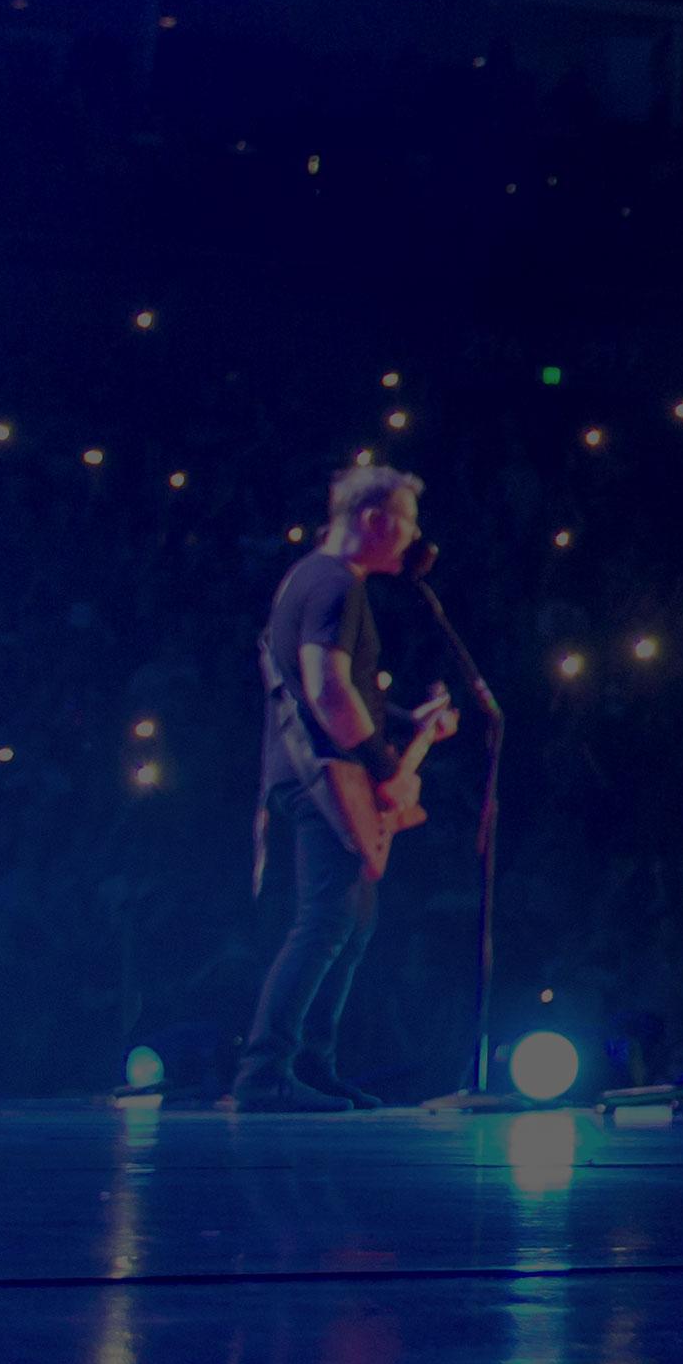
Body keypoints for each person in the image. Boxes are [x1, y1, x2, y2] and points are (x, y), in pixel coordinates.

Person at [234, 465, 458, 1113]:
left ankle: (309, 1064)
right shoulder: (333, 583)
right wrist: (384, 764)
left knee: (352, 922)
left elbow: (342, 689)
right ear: (374, 520)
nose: (414, 536)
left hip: (318, 770)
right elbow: (324, 687)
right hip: (320, 775)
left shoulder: (317, 580)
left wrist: (405, 725)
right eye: (408, 521)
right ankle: (264, 1072)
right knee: (326, 920)